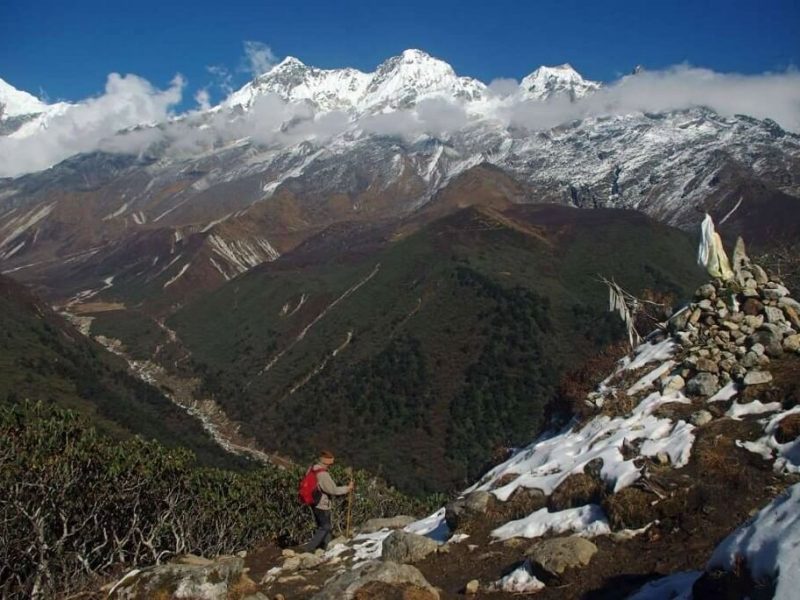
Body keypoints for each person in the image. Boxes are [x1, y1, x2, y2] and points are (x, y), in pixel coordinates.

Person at [303, 450, 353, 552]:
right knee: (325, 527)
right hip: (322, 504)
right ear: (326, 462)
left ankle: (326, 547)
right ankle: (308, 548)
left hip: (314, 502)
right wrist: (347, 488)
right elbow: (332, 490)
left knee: (325, 526)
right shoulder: (322, 474)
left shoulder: (313, 468)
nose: (330, 466)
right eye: (330, 464)